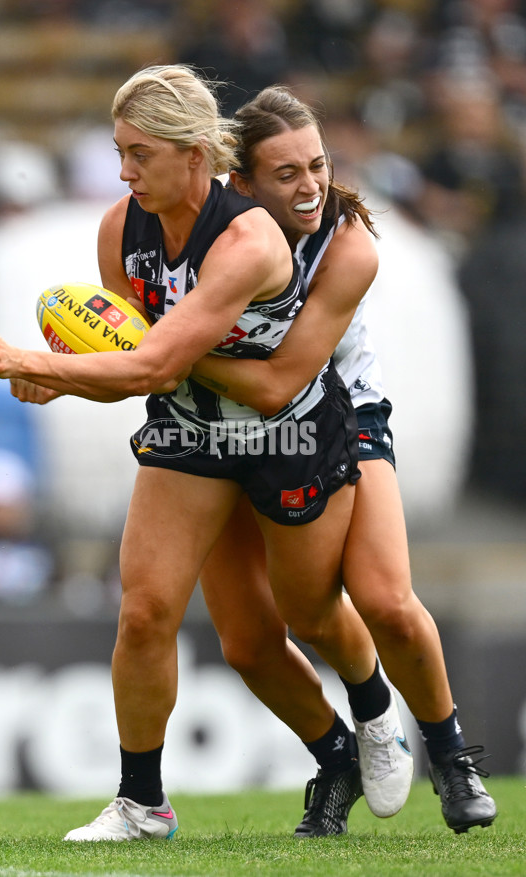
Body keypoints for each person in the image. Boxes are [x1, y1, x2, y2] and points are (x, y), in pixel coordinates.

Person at [0, 64, 398, 842]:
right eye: (119, 151)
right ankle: (145, 801)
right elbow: (130, 364)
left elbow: (155, 361)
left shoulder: (247, 239)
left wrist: (41, 360)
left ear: (195, 153)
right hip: (191, 431)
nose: (124, 172)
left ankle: (373, 715)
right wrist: (64, 380)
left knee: (313, 614)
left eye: (140, 154)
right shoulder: (118, 228)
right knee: (151, 610)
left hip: (284, 433)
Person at [189, 85, 497, 835]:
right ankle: (339, 757)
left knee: (383, 600)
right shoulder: (205, 232)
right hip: (220, 430)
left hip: (337, 417)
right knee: (249, 643)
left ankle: (450, 755)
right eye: (287, 172)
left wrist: (166, 358)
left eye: (317, 166)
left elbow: (283, 379)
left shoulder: (347, 241)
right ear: (244, 183)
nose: (310, 185)